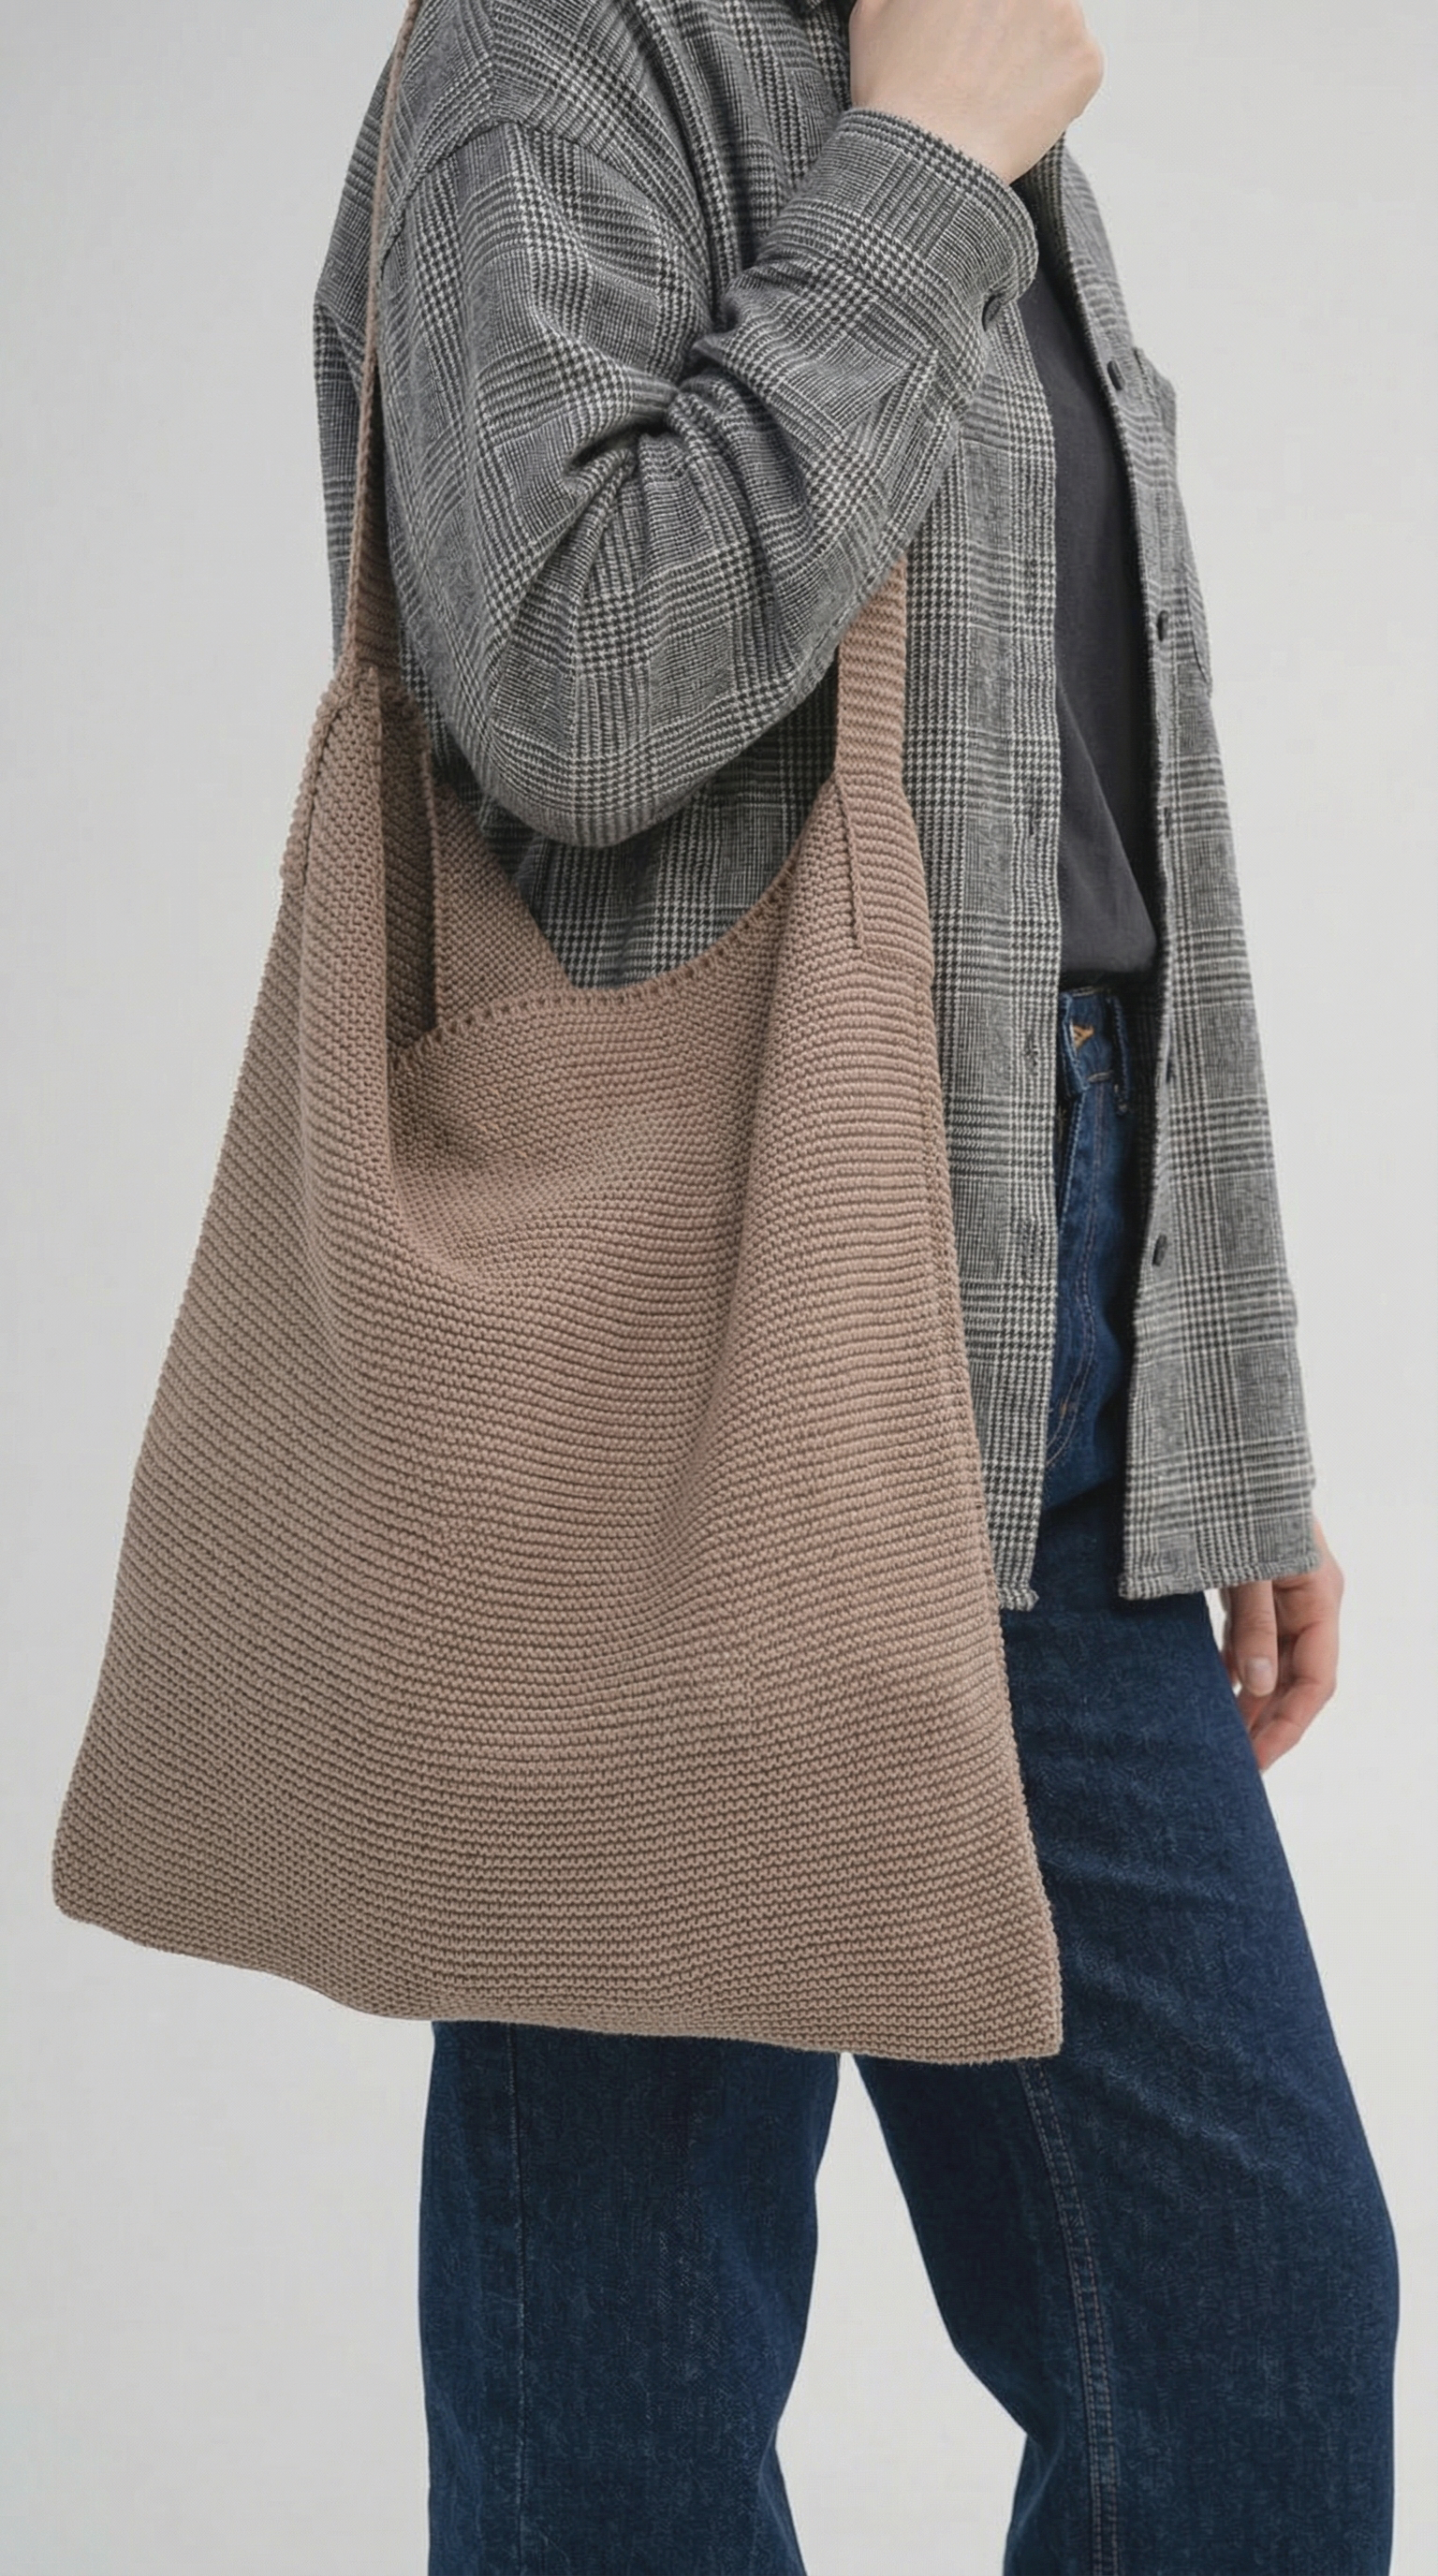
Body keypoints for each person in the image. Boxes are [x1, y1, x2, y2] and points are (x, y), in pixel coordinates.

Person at [313, 0, 1400, 2563]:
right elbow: (572, 698)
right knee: (633, 2366)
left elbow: (1092, 813)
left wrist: (1214, 1403)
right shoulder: (565, 51)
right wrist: (918, 163)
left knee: (1247, 2315)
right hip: (668, 1336)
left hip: (1039, 1330)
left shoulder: (941, 47)